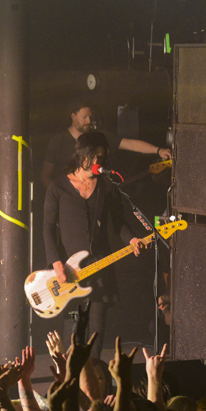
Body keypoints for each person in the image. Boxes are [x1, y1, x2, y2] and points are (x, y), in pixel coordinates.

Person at [43, 130, 148, 359]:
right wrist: (57, 264)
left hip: (100, 267)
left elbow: (119, 222)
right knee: (72, 336)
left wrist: (131, 239)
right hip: (68, 273)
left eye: (101, 157)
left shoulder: (106, 187)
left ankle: (94, 383)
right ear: (82, 155)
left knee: (96, 335)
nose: (97, 162)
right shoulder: (58, 188)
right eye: (94, 157)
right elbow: (48, 229)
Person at [40, 98, 171, 190]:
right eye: (84, 117)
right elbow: (45, 176)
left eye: (90, 117)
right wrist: (59, 197)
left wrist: (158, 150)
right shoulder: (58, 141)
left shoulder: (98, 137)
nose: (89, 121)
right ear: (73, 116)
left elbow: (131, 144)